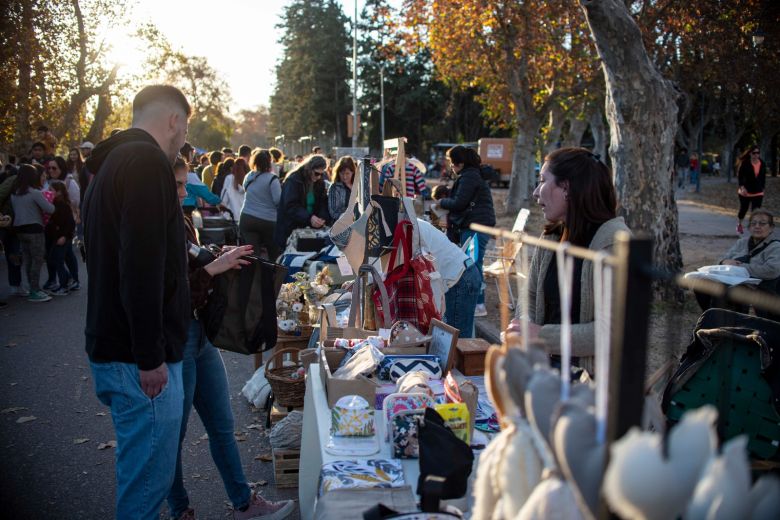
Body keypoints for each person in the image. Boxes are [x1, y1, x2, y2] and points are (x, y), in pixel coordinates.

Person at [82, 85, 191, 520]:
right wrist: (150, 355)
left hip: (118, 349)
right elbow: (141, 266)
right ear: (174, 121)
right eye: (186, 126)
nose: (184, 136)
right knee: (145, 490)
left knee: (143, 481)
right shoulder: (146, 162)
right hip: (136, 359)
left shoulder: (112, 161)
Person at [168, 158, 294, 520]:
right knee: (171, 437)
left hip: (200, 336)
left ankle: (244, 502)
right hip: (178, 339)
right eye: (177, 185)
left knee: (222, 425)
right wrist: (213, 268)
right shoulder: (155, 226)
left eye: (183, 184)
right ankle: (180, 509)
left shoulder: (179, 220)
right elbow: (170, 295)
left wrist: (219, 257)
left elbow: (193, 263)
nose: (184, 191)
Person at [507, 147, 630, 375]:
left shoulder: (614, 243)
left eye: (543, 181)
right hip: (545, 374)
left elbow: (615, 331)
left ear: (567, 188)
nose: (535, 192)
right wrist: (524, 324)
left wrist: (541, 336)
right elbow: (530, 294)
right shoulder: (552, 235)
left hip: (592, 389)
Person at [433, 145, 496, 317]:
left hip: (475, 226)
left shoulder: (469, 177)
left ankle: (478, 304)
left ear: (459, 163)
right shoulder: (472, 175)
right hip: (477, 225)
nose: (451, 167)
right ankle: (477, 303)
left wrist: (441, 203)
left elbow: (460, 203)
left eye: (452, 164)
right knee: (473, 263)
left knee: (473, 265)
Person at [695, 209, 780, 320]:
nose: (757, 226)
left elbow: (772, 270)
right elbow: (723, 259)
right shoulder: (742, 242)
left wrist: (741, 267)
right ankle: (710, 318)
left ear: (771, 227)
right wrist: (723, 262)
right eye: (753, 223)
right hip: (733, 280)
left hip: (760, 286)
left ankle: (728, 323)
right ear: (749, 227)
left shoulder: (775, 247)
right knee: (701, 283)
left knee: (724, 289)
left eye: (762, 223)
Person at [417, 218, 481, 337]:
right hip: (461, 274)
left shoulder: (412, 226)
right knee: (455, 340)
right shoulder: (414, 222)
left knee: (456, 343)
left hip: (460, 279)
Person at [10, 164, 54, 302]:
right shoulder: (34, 193)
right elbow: (50, 209)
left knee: (28, 260)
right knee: (37, 260)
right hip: (35, 229)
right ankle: (35, 290)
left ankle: (31, 287)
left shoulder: (15, 193)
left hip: (19, 230)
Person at [273, 154, 330, 249]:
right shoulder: (294, 180)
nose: (319, 177)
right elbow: (291, 206)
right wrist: (309, 218)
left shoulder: (319, 182)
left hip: (309, 229)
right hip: (291, 228)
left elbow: (322, 202)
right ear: (309, 169)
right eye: (316, 173)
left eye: (321, 174)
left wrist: (322, 217)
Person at [44, 156, 80, 291]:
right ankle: (55, 279)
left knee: (67, 255)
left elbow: (75, 202)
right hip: (53, 228)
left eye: (54, 168)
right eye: (49, 168)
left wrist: (66, 233)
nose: (51, 170)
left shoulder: (69, 182)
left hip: (65, 228)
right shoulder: (47, 182)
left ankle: (72, 279)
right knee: (52, 255)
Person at [241, 149, 281, 261]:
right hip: (268, 220)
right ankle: (272, 276)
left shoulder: (249, 176)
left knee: (252, 255)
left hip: (247, 217)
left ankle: (253, 276)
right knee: (273, 253)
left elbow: (245, 190)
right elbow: (278, 201)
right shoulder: (272, 179)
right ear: (269, 162)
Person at [44, 180, 76, 296]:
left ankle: (64, 286)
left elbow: (70, 223)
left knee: (58, 260)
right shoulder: (53, 203)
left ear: (59, 192)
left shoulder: (64, 205)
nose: (48, 191)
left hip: (62, 238)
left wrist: (64, 236)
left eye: (51, 190)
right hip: (56, 237)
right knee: (53, 259)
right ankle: (68, 279)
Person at [736, 145, 766, 235]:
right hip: (745, 191)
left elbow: (763, 177)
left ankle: (753, 229)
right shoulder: (745, 163)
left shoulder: (762, 163)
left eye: (758, 153)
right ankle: (739, 225)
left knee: (756, 212)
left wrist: (763, 188)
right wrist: (742, 187)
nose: (756, 155)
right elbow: (740, 177)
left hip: (758, 191)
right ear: (750, 154)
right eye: (754, 153)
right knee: (743, 210)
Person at [221, 157, 249, 222]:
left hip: (232, 216)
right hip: (246, 217)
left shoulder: (229, 179)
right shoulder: (250, 180)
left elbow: (224, 200)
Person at [327, 155, 355, 220]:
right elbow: (333, 213)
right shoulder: (334, 187)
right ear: (338, 173)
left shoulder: (358, 186)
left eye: (347, 173)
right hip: (340, 224)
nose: (344, 177)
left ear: (353, 172)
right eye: (342, 173)